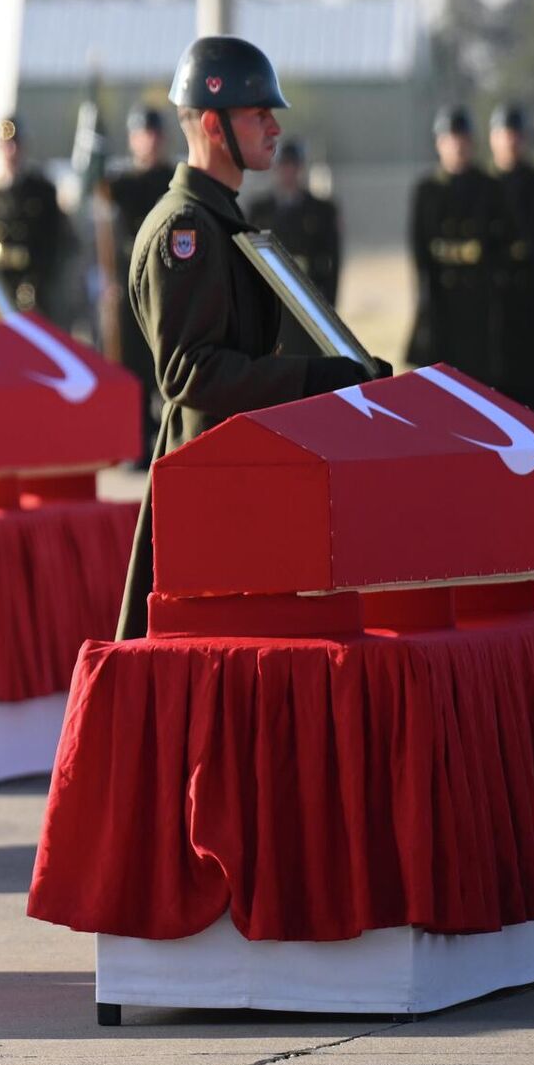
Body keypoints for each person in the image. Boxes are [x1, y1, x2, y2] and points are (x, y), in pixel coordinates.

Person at [117, 37, 385, 641]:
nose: (274, 127)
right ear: (214, 125)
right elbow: (190, 373)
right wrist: (316, 379)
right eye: (258, 114)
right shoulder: (186, 230)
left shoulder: (220, 218)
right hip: (207, 482)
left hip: (237, 471)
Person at [406, 105, 512, 389]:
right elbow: (420, 250)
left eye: (462, 139)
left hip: (478, 303)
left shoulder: (489, 188)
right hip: (441, 301)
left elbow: (500, 245)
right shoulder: (427, 191)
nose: (457, 146)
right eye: (450, 139)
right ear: (439, 143)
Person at [103, 105, 175, 459]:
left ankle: (169, 437)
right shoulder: (121, 184)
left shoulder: (173, 179)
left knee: (165, 361)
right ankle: (139, 441)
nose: (150, 141)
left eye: (154, 134)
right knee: (134, 363)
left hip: (167, 282)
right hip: (130, 282)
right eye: (143, 134)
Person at [0, 117, 69, 316]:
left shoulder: (42, 192)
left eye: (16, 144)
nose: (11, 151)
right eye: (5, 145)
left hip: (34, 292)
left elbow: (55, 243)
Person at [489, 103, 534, 406]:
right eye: (504, 133)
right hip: (495, 302)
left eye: (515, 134)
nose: (510, 140)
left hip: (531, 297)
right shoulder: (484, 186)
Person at [248, 139, 343, 302]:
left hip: (309, 294)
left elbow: (332, 261)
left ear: (301, 168)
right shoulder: (258, 211)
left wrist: (329, 302)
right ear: (275, 168)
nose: (288, 171)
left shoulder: (322, 211)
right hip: (269, 296)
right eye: (284, 165)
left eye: (293, 165)